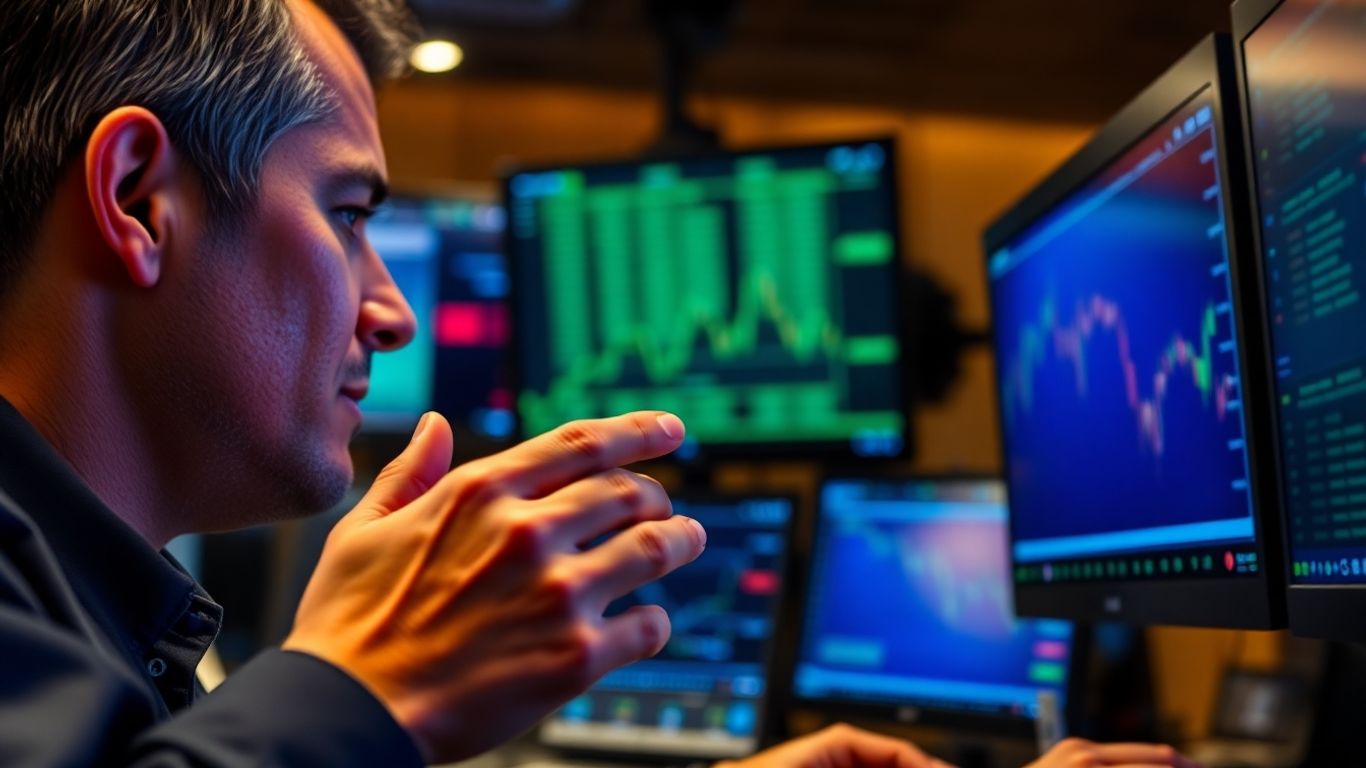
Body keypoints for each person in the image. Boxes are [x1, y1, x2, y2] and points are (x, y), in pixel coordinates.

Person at [0, 1, 1200, 766]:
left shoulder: (81, 611)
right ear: (139, 201)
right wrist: (352, 689)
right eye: (349, 213)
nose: (391, 307)